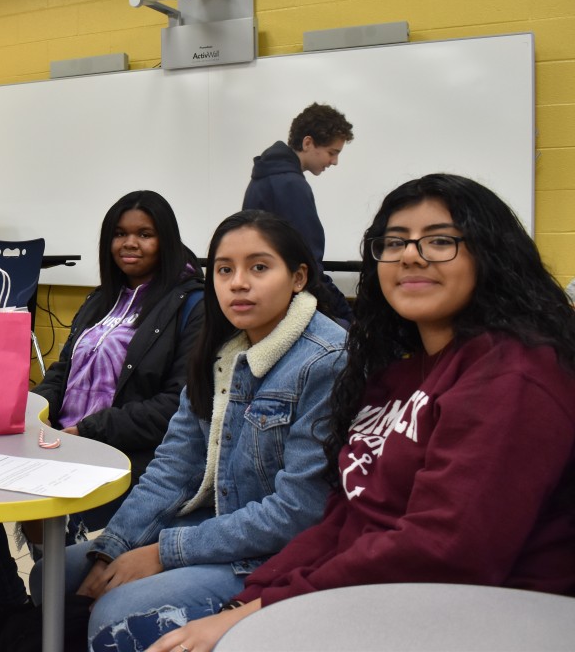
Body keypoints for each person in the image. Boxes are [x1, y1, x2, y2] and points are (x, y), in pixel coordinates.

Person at [147, 174, 575, 652]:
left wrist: (268, 608)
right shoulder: (395, 376)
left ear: (490, 254)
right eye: (394, 243)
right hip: (374, 592)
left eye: (439, 240)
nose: (411, 255)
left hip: (478, 612)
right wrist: (257, 598)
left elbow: (444, 550)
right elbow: (343, 517)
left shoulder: (512, 372)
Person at [21, 210, 345, 651]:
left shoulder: (324, 361)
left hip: (274, 554)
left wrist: (161, 552)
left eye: (260, 267)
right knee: (52, 575)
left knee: (117, 611)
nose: (239, 283)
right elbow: (173, 466)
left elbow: (296, 513)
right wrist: (113, 548)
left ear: (299, 276)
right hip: (211, 524)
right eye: (225, 270)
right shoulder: (222, 350)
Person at [0, 190, 207, 651]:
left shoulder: (192, 305)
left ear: (165, 240)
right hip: (61, 438)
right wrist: (33, 409)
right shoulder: (100, 299)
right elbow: (62, 370)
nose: (131, 244)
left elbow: (173, 407)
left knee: (33, 513)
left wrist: (86, 430)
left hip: (121, 454)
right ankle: (10, 604)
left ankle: (45, 612)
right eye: (120, 235)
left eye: (144, 234)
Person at [243, 102, 354, 322]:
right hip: (289, 302)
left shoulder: (265, 176)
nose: (335, 162)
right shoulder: (291, 185)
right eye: (332, 152)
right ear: (308, 142)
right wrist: (347, 315)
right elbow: (309, 264)